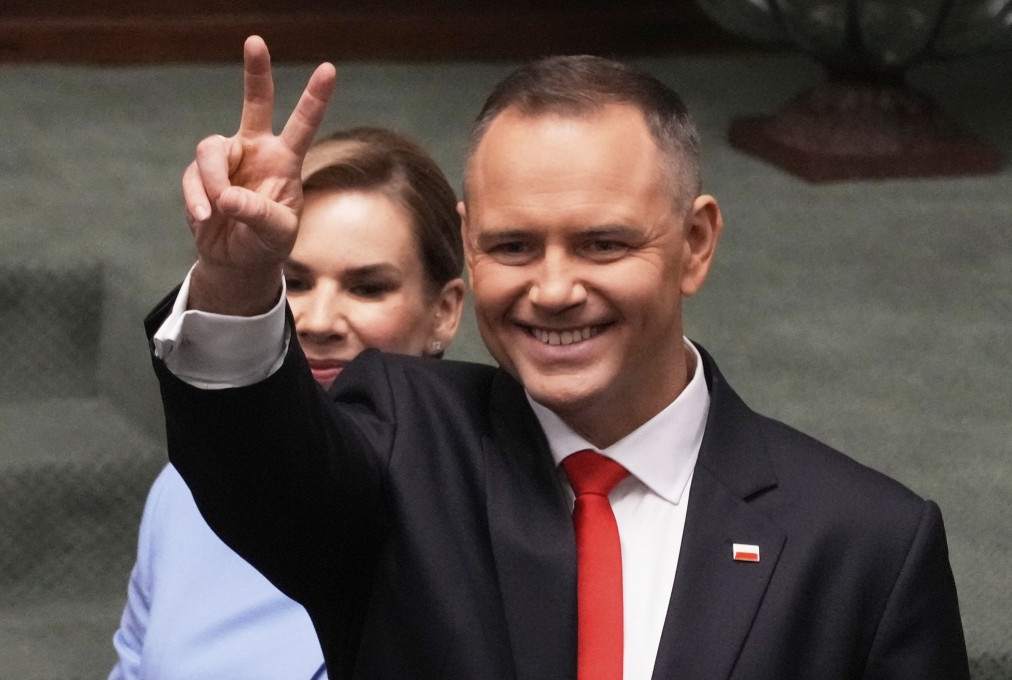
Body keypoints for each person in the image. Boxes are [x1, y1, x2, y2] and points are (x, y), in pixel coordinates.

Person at [147, 36, 969, 679]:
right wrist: (237, 276)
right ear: (467, 245)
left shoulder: (864, 545)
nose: (552, 289)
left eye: (602, 243)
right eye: (511, 246)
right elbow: (257, 464)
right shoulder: (400, 440)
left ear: (695, 243)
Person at [110, 125, 465, 679]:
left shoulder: (487, 501)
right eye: (293, 281)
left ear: (444, 311)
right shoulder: (184, 493)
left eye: (367, 287)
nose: (320, 322)